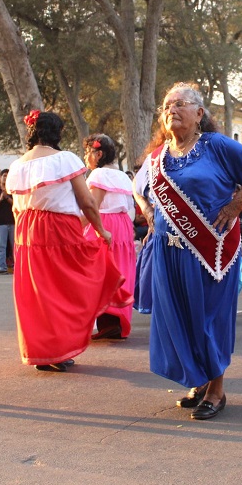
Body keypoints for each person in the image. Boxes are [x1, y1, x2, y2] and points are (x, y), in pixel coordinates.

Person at [135, 83, 242, 420]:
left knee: (209, 317)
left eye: (180, 103)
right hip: (169, 252)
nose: (172, 110)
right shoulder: (157, 158)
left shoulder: (216, 146)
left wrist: (238, 203)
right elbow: (139, 190)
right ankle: (196, 380)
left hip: (212, 252)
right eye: (166, 105)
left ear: (199, 113)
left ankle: (216, 390)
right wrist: (150, 214)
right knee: (179, 318)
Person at [6, 110, 121, 372]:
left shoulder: (17, 166)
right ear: (56, 132)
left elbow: (16, 209)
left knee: (36, 294)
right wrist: (101, 230)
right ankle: (57, 350)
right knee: (64, 289)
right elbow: (87, 202)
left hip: (25, 230)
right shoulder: (65, 159)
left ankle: (42, 353)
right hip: (58, 227)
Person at [83, 133, 137, 340]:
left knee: (99, 271)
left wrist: (73, 226)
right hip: (122, 225)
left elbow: (93, 207)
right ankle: (113, 322)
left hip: (104, 223)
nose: (86, 156)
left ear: (99, 154)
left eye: (88, 152)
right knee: (120, 267)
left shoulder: (97, 175)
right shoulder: (123, 176)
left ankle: (105, 320)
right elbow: (130, 208)